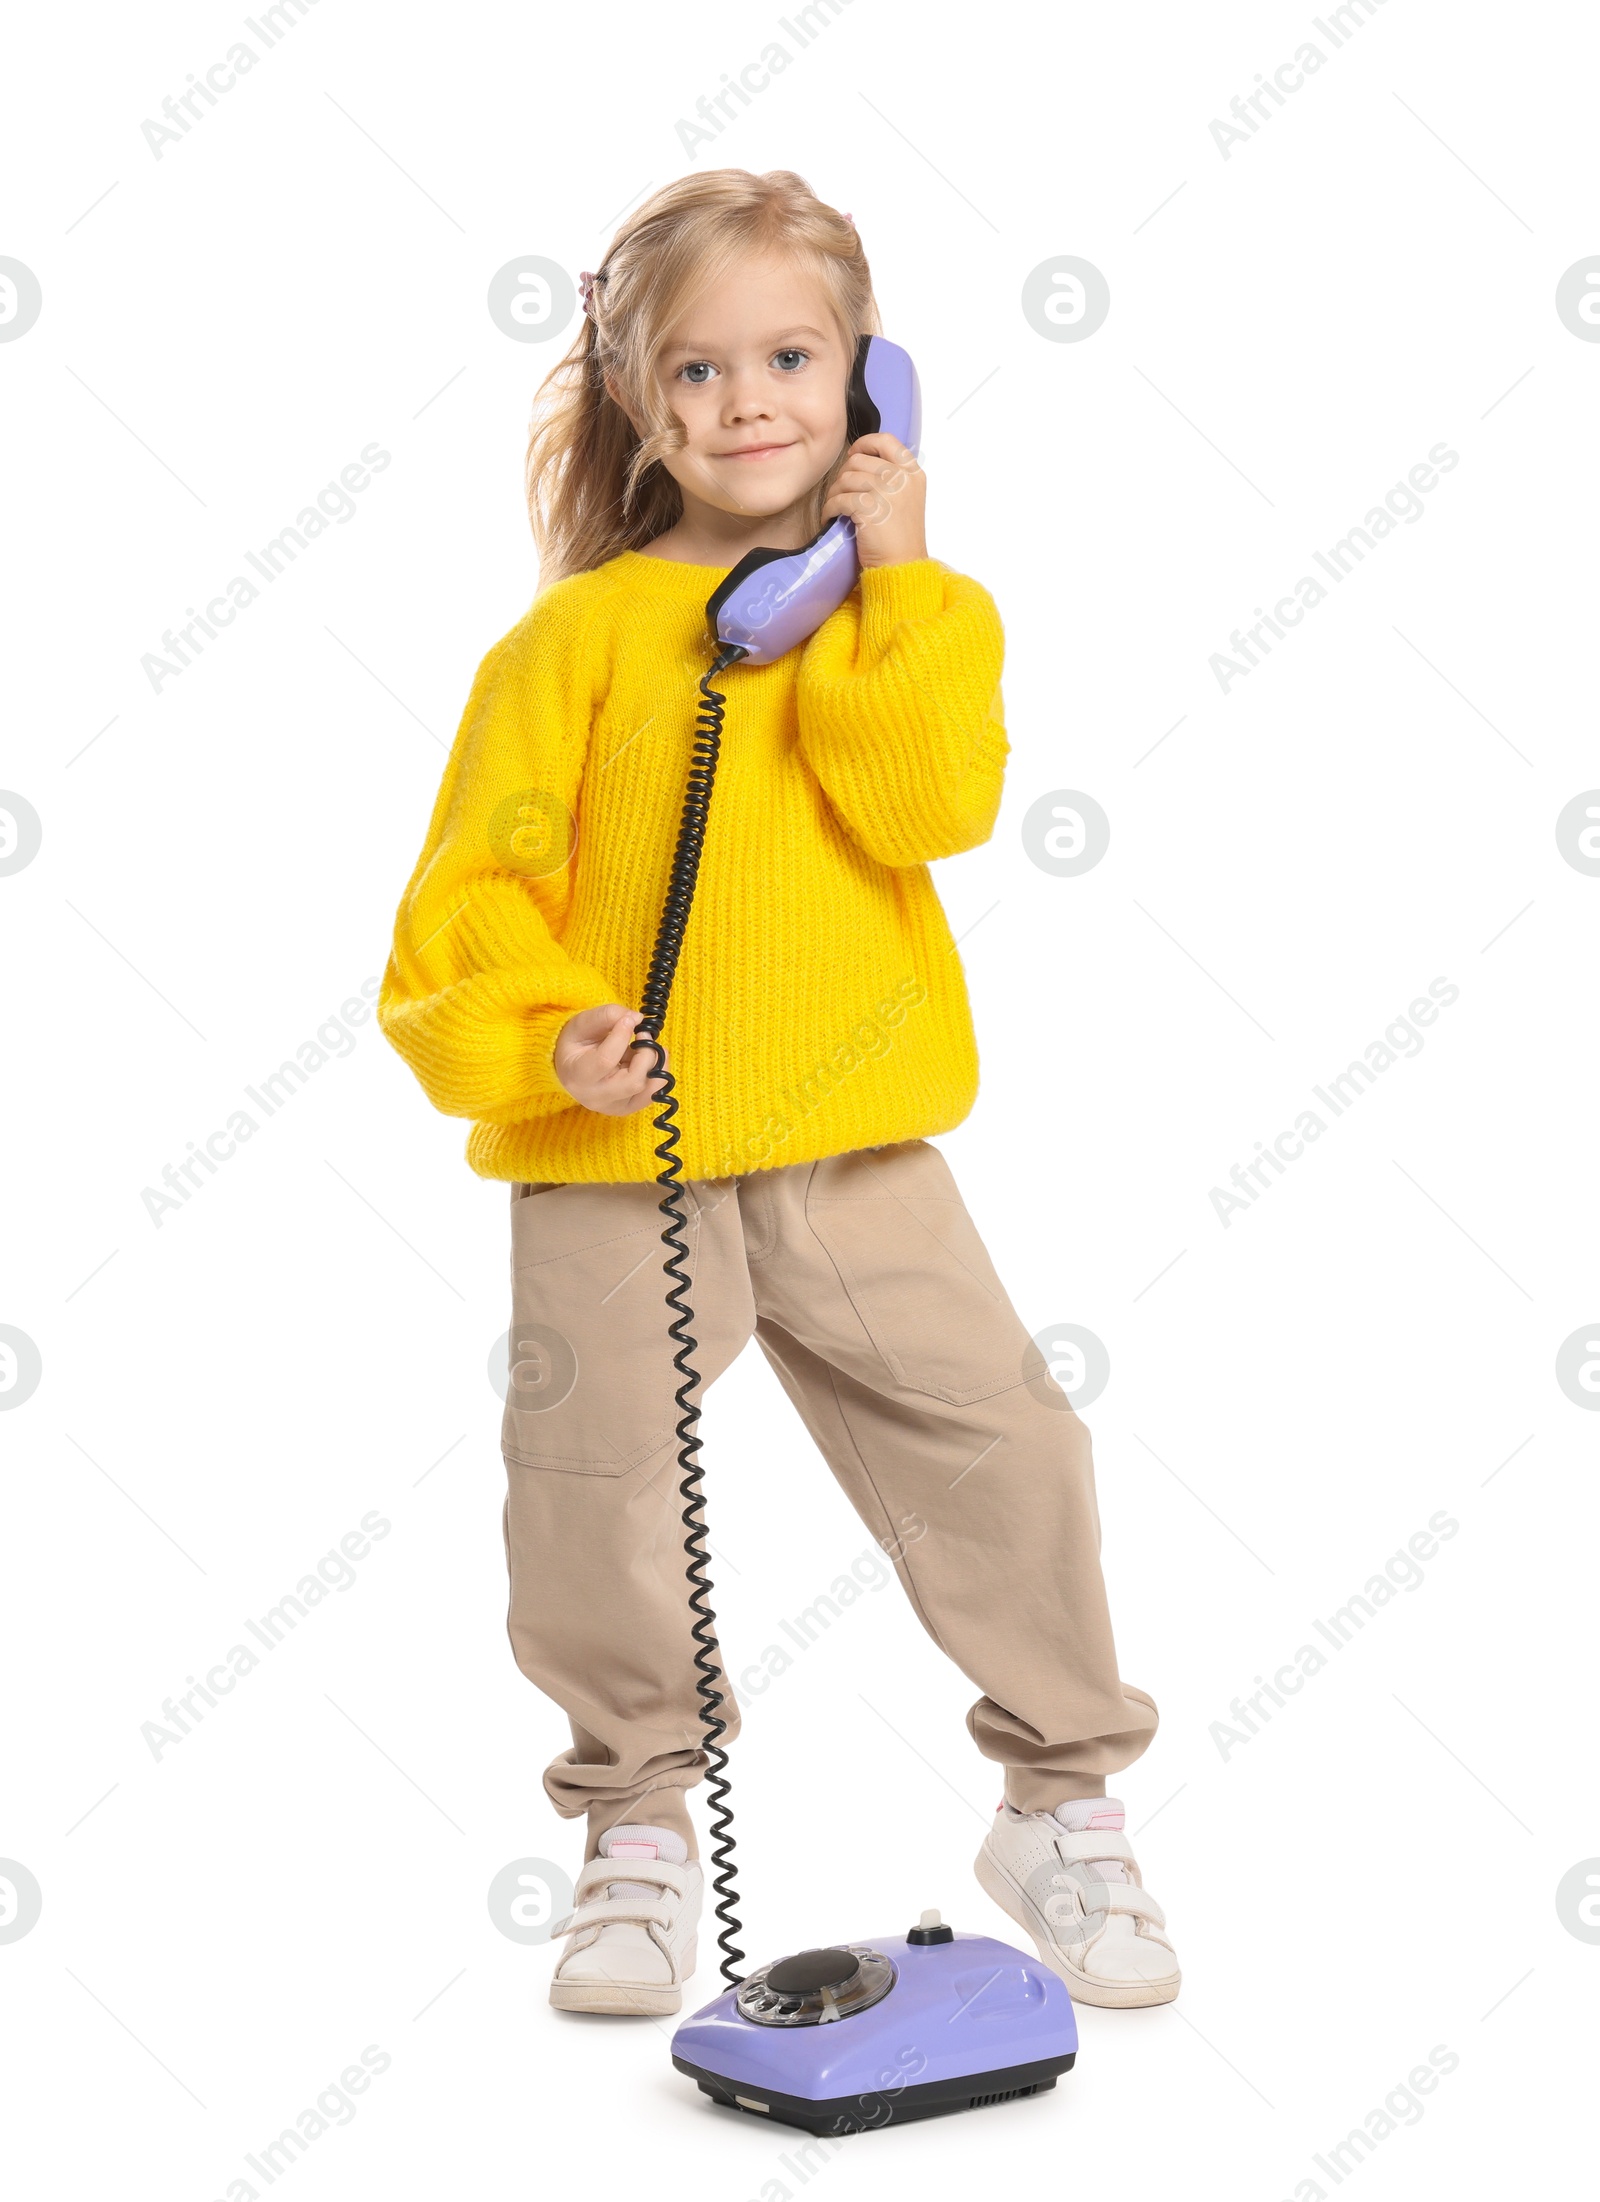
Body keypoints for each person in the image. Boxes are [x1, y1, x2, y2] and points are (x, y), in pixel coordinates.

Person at [377, 168, 1179, 2019]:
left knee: (1007, 1445)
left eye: (795, 358)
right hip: (617, 1153)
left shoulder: (913, 614)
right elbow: (460, 910)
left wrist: (880, 581)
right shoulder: (567, 647)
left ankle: (1059, 1792)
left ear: (867, 380)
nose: (751, 404)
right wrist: (552, 1030)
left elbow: (931, 806)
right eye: (700, 370)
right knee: (596, 1483)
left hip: (853, 1142)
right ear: (640, 404)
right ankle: (638, 1817)